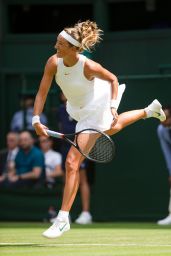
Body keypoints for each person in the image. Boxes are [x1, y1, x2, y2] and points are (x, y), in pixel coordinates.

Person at [31, 20, 166, 238]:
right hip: (78, 108)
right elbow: (41, 93)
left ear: (74, 48)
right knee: (112, 128)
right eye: (57, 41)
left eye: (60, 43)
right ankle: (148, 111)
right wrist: (36, 119)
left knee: (72, 162)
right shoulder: (53, 62)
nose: (56, 46)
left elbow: (113, 79)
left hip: (96, 105)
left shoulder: (88, 66)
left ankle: (62, 218)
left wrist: (113, 106)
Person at [57, 92, 94, 224]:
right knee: (66, 180)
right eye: (62, 91)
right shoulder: (61, 110)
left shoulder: (81, 106)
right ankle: (65, 214)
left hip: (80, 144)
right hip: (65, 147)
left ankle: (86, 213)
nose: (63, 93)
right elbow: (61, 127)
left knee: (83, 179)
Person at [157, 106, 171, 225]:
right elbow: (167, 151)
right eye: (161, 117)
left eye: (166, 118)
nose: (163, 120)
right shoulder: (161, 129)